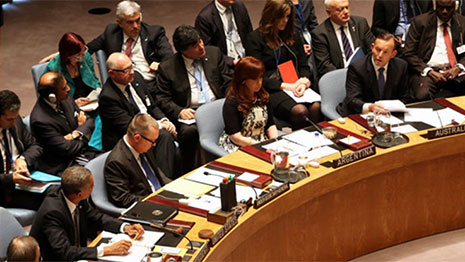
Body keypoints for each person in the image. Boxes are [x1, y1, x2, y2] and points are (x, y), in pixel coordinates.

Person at [156, 25, 232, 172]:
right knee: (188, 133)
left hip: (218, 105)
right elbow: (161, 98)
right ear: (183, 51)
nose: (201, 46)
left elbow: (228, 81)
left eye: (200, 41)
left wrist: (228, 101)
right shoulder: (168, 68)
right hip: (192, 113)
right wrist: (179, 111)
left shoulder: (214, 53)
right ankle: (189, 170)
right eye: (195, 46)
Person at [30, 166, 144, 261]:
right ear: (79, 194)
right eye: (91, 186)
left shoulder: (75, 196)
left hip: (79, 254)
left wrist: (125, 227)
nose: (93, 187)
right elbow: (64, 252)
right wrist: (107, 250)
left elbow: (97, 218)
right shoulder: (52, 213)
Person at [99, 52, 180, 178]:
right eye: (125, 70)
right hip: (127, 136)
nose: (131, 72)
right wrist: (159, 125)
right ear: (111, 73)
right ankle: (163, 182)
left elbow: (152, 105)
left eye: (131, 67)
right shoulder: (108, 97)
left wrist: (164, 120)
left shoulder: (136, 78)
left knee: (174, 135)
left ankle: (166, 178)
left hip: (148, 127)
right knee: (164, 136)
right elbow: (130, 126)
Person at [245, 0, 320, 129]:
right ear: (271, 16)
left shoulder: (293, 34)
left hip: (295, 84)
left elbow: (303, 66)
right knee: (300, 111)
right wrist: (288, 86)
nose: (285, 20)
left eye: (288, 16)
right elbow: (257, 77)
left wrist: (303, 82)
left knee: (316, 106)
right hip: (271, 89)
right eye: (281, 17)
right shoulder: (255, 39)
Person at [87, 0, 173, 92]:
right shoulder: (111, 33)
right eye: (130, 22)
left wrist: (160, 64)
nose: (135, 26)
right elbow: (86, 50)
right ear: (119, 23)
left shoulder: (154, 33)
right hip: (122, 85)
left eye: (137, 20)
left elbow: (169, 57)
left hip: (149, 84)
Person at [30, 72, 98, 175]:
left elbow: (89, 121)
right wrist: (82, 132)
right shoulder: (40, 121)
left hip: (83, 152)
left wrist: (76, 134)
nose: (68, 89)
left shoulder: (65, 98)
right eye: (63, 88)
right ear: (52, 96)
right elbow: (68, 149)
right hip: (63, 164)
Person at [45, 32, 103, 149]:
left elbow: (94, 79)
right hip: (70, 106)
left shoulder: (85, 57)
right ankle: (94, 149)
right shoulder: (54, 68)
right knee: (94, 121)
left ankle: (94, 148)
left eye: (83, 51)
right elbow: (52, 99)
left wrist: (98, 90)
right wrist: (74, 104)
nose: (83, 56)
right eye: (78, 55)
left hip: (91, 101)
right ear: (68, 55)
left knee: (106, 110)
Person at [104, 114, 171, 208]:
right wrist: (155, 201)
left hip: (161, 198)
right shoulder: (116, 162)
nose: (154, 145)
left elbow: (158, 175)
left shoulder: (143, 145)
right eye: (152, 141)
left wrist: (174, 187)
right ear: (137, 138)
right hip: (146, 207)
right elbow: (123, 198)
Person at [336, 33, 412, 116]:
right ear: (372, 47)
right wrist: (370, 107)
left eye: (385, 52)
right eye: (378, 50)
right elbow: (353, 100)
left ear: (393, 54)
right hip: (360, 113)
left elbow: (405, 96)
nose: (380, 55)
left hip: (388, 115)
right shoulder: (357, 68)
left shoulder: (401, 66)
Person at [404, 0, 465, 101]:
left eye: (449, 8)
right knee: (423, 94)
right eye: (441, 7)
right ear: (435, 6)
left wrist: (459, 67)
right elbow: (408, 53)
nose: (444, 11)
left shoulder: (462, 23)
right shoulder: (420, 22)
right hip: (428, 72)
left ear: (455, 8)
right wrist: (429, 71)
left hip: (455, 72)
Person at [218, 56, 278, 153]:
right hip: (239, 144)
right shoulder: (231, 103)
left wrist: (275, 142)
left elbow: (270, 125)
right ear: (243, 80)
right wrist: (260, 147)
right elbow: (235, 137)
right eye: (255, 79)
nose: (259, 83)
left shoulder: (263, 97)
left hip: (261, 141)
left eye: (261, 78)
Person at [0, 90, 43, 210]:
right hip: (3, 189)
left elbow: (35, 146)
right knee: (50, 203)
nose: (13, 122)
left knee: (60, 192)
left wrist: (22, 159)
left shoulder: (15, 121)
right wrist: (10, 178)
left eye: (15, 118)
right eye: (9, 119)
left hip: (21, 183)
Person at [311, 0, 375, 77]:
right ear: (329, 13)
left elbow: (372, 50)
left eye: (347, 7)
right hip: (339, 77)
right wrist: (345, 77)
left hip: (364, 74)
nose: (346, 12)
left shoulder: (360, 23)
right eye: (340, 9)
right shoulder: (320, 33)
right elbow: (325, 65)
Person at [195, 0, 253, 67]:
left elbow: (249, 33)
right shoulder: (205, 18)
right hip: (225, 63)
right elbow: (208, 50)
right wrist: (231, 61)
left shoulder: (239, 6)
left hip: (246, 57)